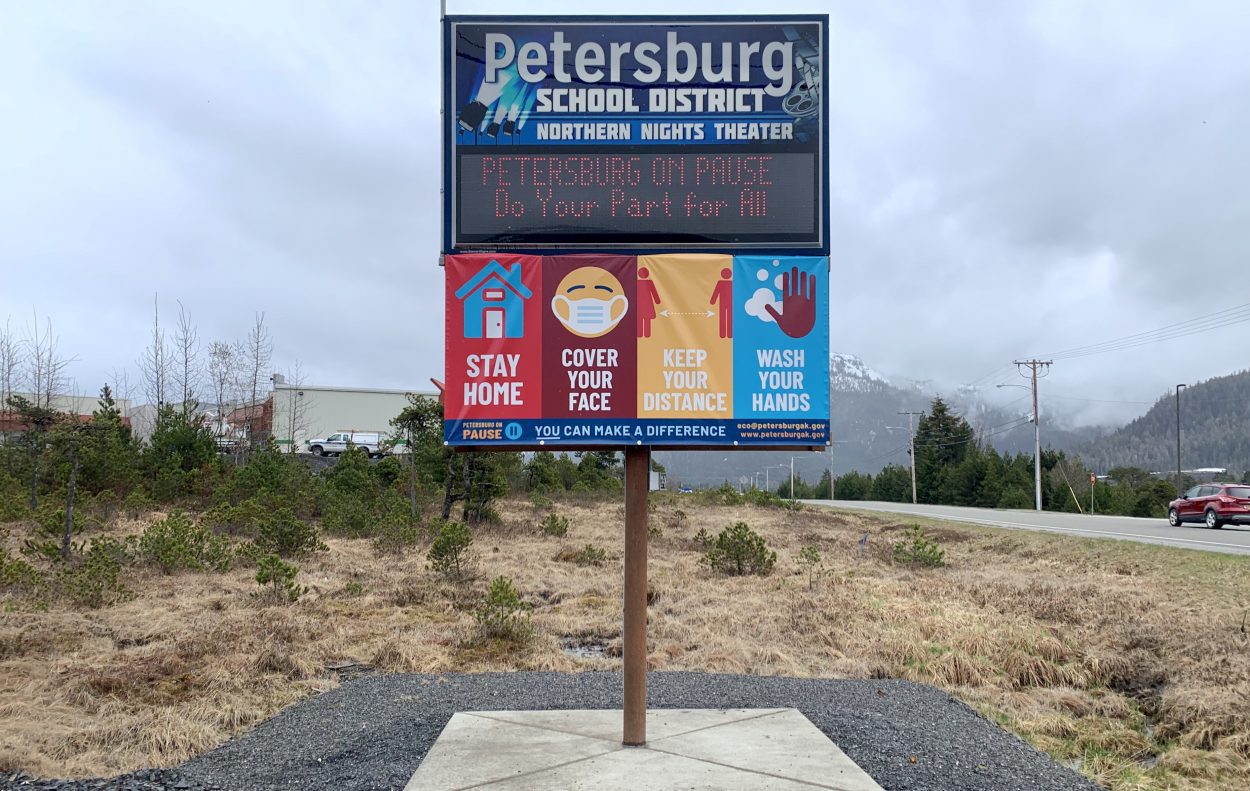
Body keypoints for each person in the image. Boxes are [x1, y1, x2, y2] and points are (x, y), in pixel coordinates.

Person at [637, 267, 661, 338]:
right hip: (647, 303)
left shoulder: (637, 283)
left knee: (639, 319)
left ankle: (639, 334)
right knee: (647, 319)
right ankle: (647, 334)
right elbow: (654, 293)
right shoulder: (649, 282)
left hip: (639, 304)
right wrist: (657, 301)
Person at [709, 267, 733, 339]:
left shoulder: (721, 283)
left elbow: (716, 292)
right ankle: (729, 334)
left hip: (723, 303)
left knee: (723, 317)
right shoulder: (732, 283)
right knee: (729, 317)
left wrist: (713, 301)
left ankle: (723, 334)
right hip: (729, 303)